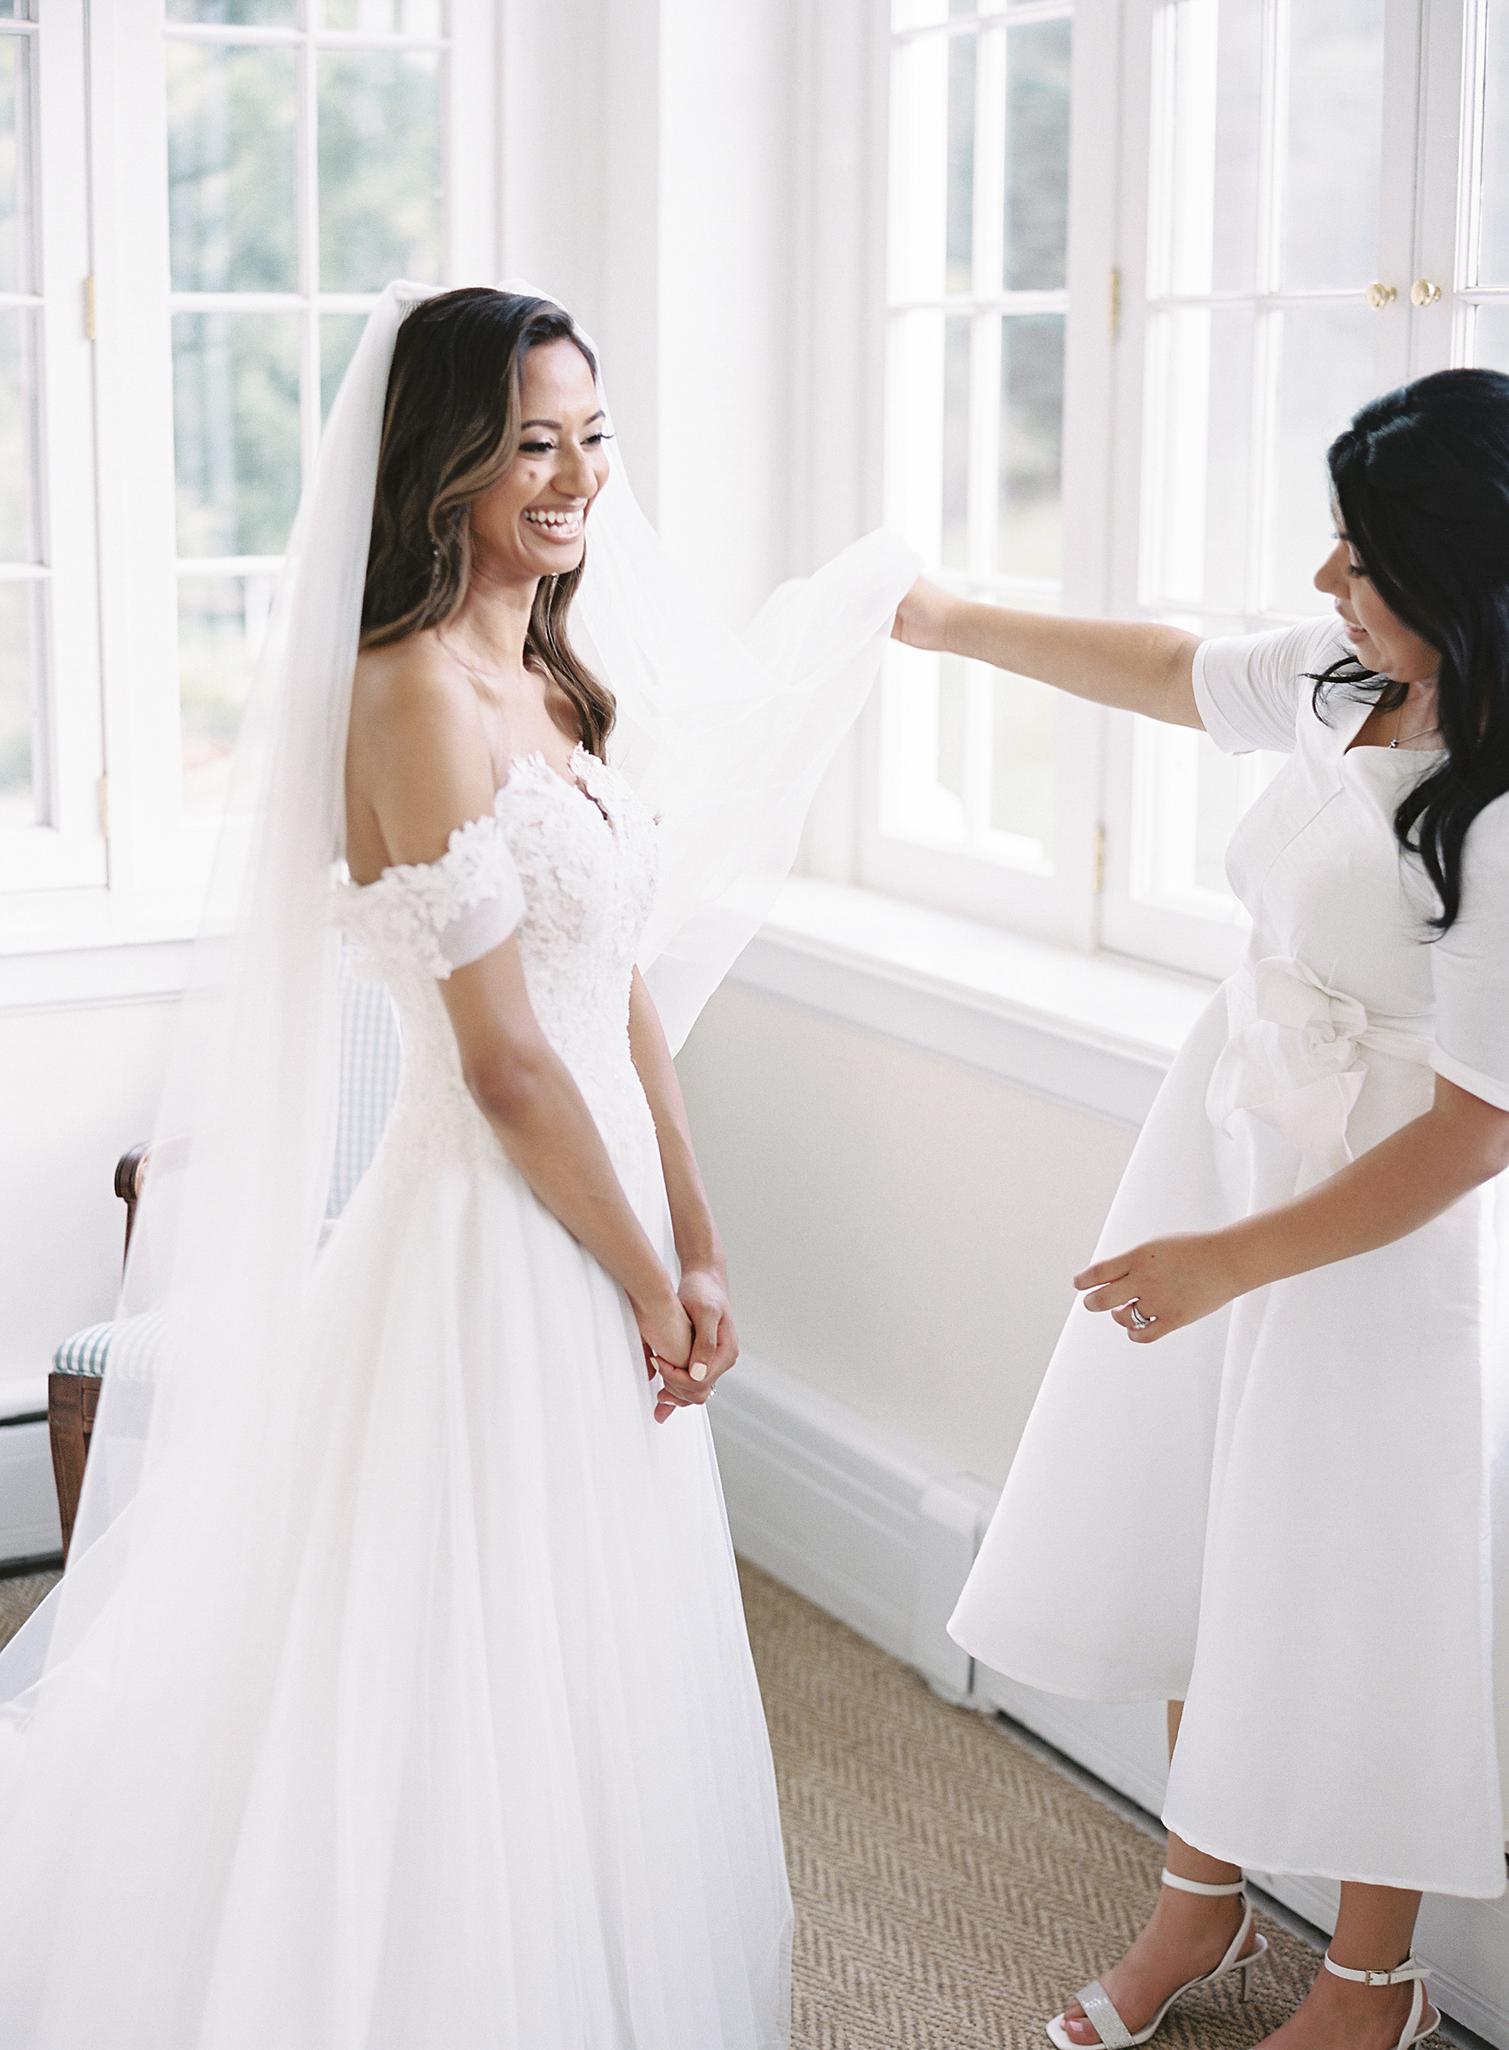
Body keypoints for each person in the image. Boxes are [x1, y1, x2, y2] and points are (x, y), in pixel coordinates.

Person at [0, 283, 913, 2049]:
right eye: (529, 446)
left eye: (590, 437)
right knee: (444, 1647)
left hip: (611, 1221)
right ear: (443, 467)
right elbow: (500, 1060)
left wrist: (696, 1230)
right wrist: (650, 1282)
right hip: (484, 1241)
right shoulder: (407, 692)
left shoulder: (552, 679)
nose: (572, 480)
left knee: (591, 1649)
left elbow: (620, 976)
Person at [899, 369, 1509, 2050]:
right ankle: (1196, 1898)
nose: (1326, 580)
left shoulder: (1504, 808)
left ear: (1462, 572)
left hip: (1367, 1227)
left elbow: (1470, 1134)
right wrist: (945, 620)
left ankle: (1368, 1981)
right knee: (1197, 1520)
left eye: (1360, 554)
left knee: (1353, 1575)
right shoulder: (1344, 681)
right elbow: (1170, 670)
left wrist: (1226, 1264)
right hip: (1230, 1134)